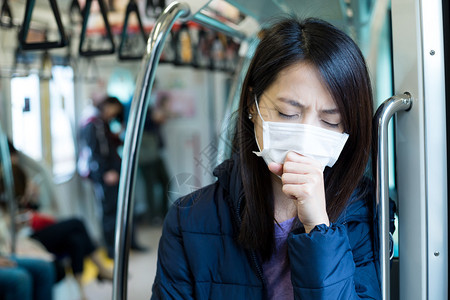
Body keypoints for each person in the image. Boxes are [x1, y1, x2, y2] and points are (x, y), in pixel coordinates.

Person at [151, 17, 381, 299]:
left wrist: (319, 228)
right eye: (288, 113)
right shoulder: (189, 221)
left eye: (330, 121)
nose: (306, 137)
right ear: (252, 104)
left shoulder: (367, 215)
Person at [78, 96, 145, 258]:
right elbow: (95, 153)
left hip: (115, 172)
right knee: (109, 212)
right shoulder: (93, 124)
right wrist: (105, 173)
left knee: (127, 207)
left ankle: (129, 243)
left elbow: (108, 147)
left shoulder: (103, 124)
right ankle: (111, 249)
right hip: (105, 175)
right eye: (110, 110)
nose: (111, 115)